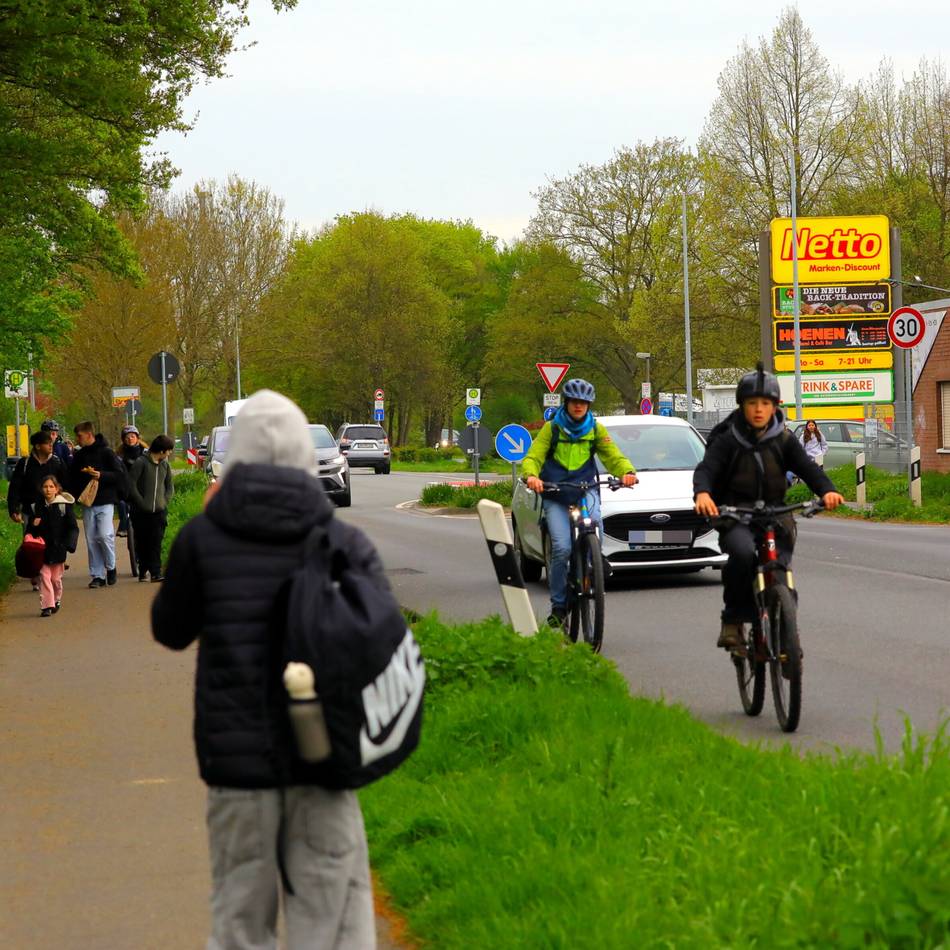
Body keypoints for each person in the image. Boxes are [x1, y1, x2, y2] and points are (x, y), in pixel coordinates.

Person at [152, 390, 378, 949]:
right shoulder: (342, 541)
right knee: (333, 919)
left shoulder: (203, 538)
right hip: (324, 757)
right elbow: (379, 640)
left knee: (239, 919)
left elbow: (170, 630)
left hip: (238, 766)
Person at [693, 366, 845, 649]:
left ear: (775, 406)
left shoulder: (783, 439)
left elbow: (808, 468)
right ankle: (734, 621)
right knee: (741, 554)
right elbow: (707, 469)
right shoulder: (728, 439)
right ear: (742, 406)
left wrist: (828, 490)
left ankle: (785, 625)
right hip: (736, 513)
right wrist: (702, 493)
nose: (759, 410)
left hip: (775, 511)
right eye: (752, 403)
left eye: (765, 403)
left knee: (780, 563)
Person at [521, 378, 638, 627]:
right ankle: (559, 606)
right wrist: (532, 476)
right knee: (562, 548)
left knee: (594, 522)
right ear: (567, 402)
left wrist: (626, 472)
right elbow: (534, 456)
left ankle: (593, 563)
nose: (579, 407)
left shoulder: (595, 429)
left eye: (584, 403)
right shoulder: (552, 428)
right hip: (555, 493)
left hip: (586, 489)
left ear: (589, 405)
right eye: (575, 402)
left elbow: (613, 455)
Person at [8, 431, 70, 591]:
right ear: (37, 446)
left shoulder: (57, 462)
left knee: (53, 540)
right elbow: (15, 488)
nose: (51, 445)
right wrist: (14, 508)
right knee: (33, 543)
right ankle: (36, 574)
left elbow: (66, 484)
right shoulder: (25, 464)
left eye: (51, 442)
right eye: (47, 442)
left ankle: (50, 572)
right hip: (31, 510)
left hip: (53, 510)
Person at [69, 422, 126, 589]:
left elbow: (118, 474)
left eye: (79, 436)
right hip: (87, 501)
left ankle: (111, 566)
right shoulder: (79, 456)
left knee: (104, 535)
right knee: (91, 538)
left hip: (105, 499)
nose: (77, 439)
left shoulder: (107, 453)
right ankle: (97, 575)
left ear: (88, 434)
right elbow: (72, 476)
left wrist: (101, 475)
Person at [25, 475, 78, 616]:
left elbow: (72, 527)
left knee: (55, 579)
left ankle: (56, 599)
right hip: (42, 550)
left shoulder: (63, 506)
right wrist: (33, 525)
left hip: (58, 549)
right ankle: (47, 606)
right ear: (41, 489)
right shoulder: (36, 507)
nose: (48, 490)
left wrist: (69, 544)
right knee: (44, 576)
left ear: (57, 489)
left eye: (51, 487)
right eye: (45, 487)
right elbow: (29, 531)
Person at [128, 434, 174, 582]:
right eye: (168, 450)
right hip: (141, 512)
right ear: (161, 451)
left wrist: (164, 501)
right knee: (142, 542)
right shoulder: (141, 462)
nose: (169, 453)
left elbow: (169, 487)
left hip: (159, 512)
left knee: (156, 541)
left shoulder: (165, 465)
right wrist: (141, 502)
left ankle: (156, 572)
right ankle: (143, 570)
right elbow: (131, 485)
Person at [115, 425, 146, 538]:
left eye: (132, 436)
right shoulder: (119, 455)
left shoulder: (145, 452)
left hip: (141, 486)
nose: (130, 439)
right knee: (122, 504)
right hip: (126, 487)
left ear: (137, 438)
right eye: (127, 437)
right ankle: (123, 527)